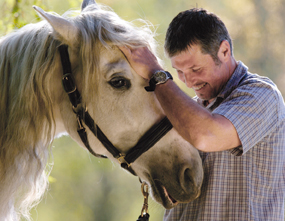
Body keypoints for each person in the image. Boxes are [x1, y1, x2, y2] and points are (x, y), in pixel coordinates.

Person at [119, 8, 285, 221]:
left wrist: (156, 74)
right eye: (179, 72)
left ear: (224, 51)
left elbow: (206, 134)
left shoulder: (262, 95)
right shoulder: (187, 114)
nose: (188, 82)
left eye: (196, 69)